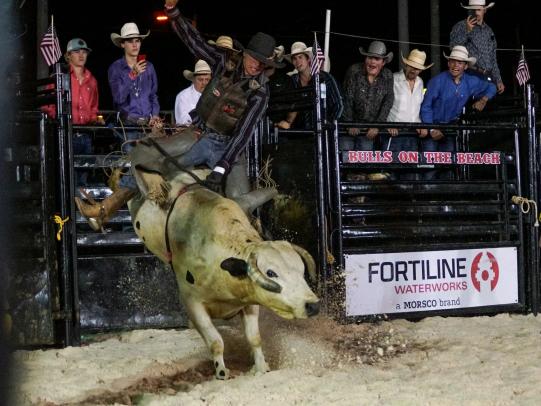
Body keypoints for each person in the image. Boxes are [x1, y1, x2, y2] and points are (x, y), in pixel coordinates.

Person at [163, 0, 283, 197]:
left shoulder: (260, 92)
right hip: (199, 133)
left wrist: (222, 167)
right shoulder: (224, 62)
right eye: (254, 59)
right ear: (245, 54)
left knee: (240, 201)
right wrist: (174, 13)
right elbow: (196, 43)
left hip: (228, 145)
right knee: (164, 167)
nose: (256, 66)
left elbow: (244, 132)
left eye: (262, 63)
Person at [75, 22, 160, 230]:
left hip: (146, 127)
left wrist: (155, 115)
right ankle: (125, 222)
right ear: (122, 44)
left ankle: (132, 220)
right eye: (130, 41)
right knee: (135, 170)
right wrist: (133, 76)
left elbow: (153, 95)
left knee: (148, 171)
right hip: (127, 127)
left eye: (138, 40)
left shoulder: (149, 68)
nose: (135, 44)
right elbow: (118, 98)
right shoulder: (116, 68)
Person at [420, 45, 497, 179]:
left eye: (460, 62)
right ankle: (426, 198)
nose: (455, 65)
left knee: (449, 165)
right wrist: (432, 129)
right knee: (429, 166)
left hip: (451, 127)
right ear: (448, 63)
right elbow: (426, 107)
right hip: (433, 125)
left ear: (465, 66)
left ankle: (446, 198)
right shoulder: (437, 81)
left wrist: (484, 99)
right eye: (453, 61)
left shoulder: (470, 81)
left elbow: (492, 87)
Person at [42, 38, 102, 186]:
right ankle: (68, 208)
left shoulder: (92, 80)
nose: (81, 55)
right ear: (68, 56)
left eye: (84, 52)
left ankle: (80, 208)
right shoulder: (59, 77)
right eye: (76, 52)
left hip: (86, 134)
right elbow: (46, 105)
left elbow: (94, 106)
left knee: (83, 175)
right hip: (66, 132)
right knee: (67, 176)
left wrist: (94, 118)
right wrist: (60, 117)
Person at [275, 41, 343, 130]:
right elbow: (289, 105)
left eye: (300, 57)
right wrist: (288, 122)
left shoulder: (325, 78)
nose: (297, 61)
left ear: (308, 59)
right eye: (294, 59)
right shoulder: (291, 80)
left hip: (322, 131)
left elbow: (338, 105)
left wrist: (328, 123)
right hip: (298, 133)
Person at [342, 40, 394, 151]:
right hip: (348, 127)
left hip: (369, 130)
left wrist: (377, 126)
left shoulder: (388, 76)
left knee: (364, 161)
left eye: (377, 59)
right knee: (345, 156)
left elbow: (388, 101)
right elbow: (347, 98)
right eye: (369, 57)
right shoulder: (354, 71)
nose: (372, 62)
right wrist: (349, 124)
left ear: (383, 62)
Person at [450, 0, 504, 94]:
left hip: (488, 76)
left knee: (488, 105)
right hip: (469, 74)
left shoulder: (489, 31)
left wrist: (498, 79)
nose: (476, 13)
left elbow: (493, 58)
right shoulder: (460, 26)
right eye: (473, 10)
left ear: (484, 10)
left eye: (478, 10)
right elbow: (453, 48)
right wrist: (467, 31)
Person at [174, 59, 211, 126]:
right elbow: (182, 122)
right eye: (200, 80)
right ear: (194, 79)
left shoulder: (214, 95)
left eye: (207, 80)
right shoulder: (183, 96)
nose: (204, 83)